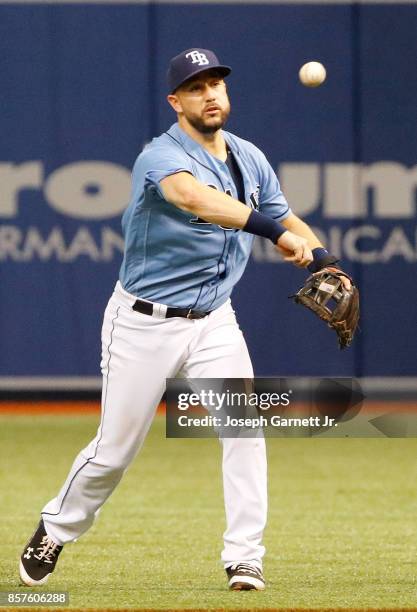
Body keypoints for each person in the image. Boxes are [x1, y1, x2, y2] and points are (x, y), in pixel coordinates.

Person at [19, 48, 346, 592]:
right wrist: (275, 234)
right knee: (114, 451)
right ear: (176, 101)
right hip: (144, 321)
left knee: (244, 427)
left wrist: (326, 259)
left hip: (215, 318)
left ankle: (245, 557)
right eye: (196, 87)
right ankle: (56, 527)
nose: (210, 93)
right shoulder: (160, 156)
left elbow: (288, 219)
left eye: (216, 82)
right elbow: (195, 199)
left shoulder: (249, 158)